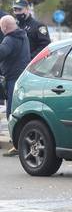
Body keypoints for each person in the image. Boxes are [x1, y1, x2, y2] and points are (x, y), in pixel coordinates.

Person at [0, 15, 30, 156]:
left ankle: (16, 144)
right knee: (18, 110)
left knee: (11, 112)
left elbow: (2, 53)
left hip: (13, 80)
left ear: (4, 27)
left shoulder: (9, 39)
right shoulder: (23, 36)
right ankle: (20, 142)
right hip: (22, 78)